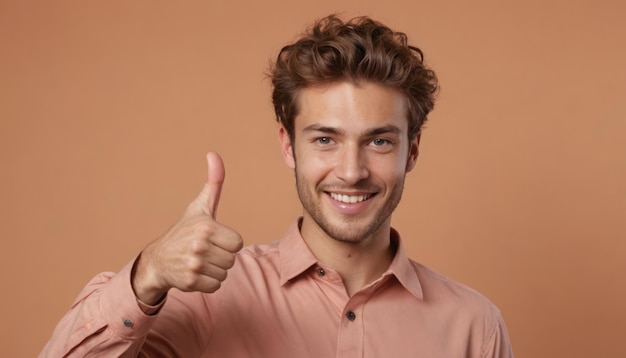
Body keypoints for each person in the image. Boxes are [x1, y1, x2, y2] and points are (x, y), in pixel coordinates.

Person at [41, 14, 514, 357]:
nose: (351, 171)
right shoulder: (209, 298)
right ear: (289, 146)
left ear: (412, 151)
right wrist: (146, 275)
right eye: (325, 139)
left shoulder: (474, 327)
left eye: (379, 141)